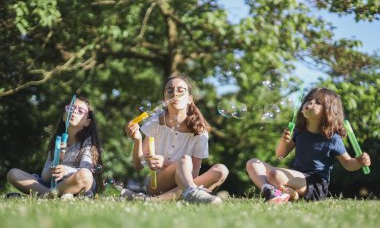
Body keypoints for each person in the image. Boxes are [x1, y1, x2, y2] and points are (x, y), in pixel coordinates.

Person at [246, 87, 371, 204]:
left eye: (318, 102)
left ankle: (286, 192)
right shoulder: (299, 132)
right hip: (295, 176)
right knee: (252, 163)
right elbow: (280, 155)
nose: (310, 103)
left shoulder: (332, 139)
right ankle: (271, 190)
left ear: (329, 111)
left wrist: (359, 161)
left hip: (316, 184)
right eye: (309, 100)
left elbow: (348, 164)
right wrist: (284, 141)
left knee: (275, 175)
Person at [124, 75, 229, 204]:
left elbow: (194, 173)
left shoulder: (200, 132)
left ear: (190, 99)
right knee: (185, 159)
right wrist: (138, 139)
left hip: (187, 181)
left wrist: (164, 161)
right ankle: (190, 193)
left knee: (221, 170)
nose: (175, 93)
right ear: (164, 99)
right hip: (157, 185)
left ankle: (154, 200)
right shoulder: (155, 123)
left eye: (180, 90)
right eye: (170, 90)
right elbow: (138, 165)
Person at [7, 96, 103, 199]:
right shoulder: (57, 141)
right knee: (13, 174)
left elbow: (86, 170)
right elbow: (45, 177)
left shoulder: (88, 143)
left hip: (76, 184)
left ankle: (44, 195)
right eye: (71, 108)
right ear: (63, 116)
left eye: (80, 111)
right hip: (53, 185)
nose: (74, 112)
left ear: (87, 122)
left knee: (85, 175)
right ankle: (52, 195)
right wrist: (56, 162)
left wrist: (65, 170)